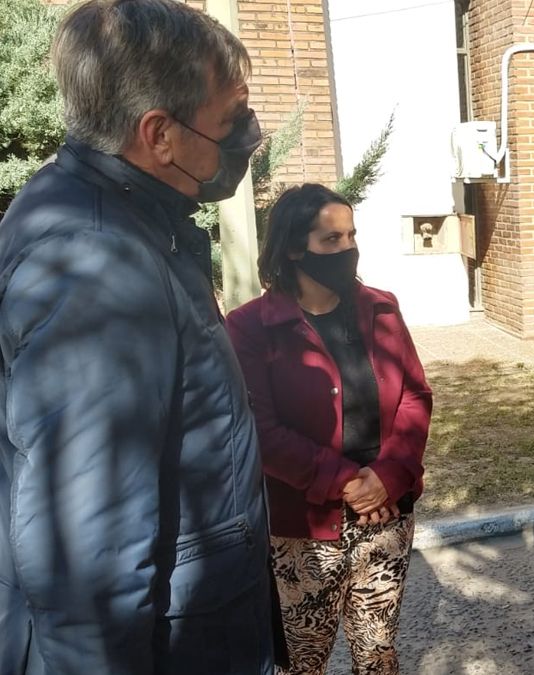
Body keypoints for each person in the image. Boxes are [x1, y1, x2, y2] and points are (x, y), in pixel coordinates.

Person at [0, 1, 276, 672]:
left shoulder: (118, 219)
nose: (250, 134)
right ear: (159, 134)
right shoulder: (100, 267)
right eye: (231, 119)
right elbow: (85, 564)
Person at [226, 184, 433, 675]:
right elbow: (263, 430)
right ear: (294, 248)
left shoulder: (381, 308)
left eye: (352, 235)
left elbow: (415, 396)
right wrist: (348, 483)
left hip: (385, 514)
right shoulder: (251, 327)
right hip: (302, 528)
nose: (347, 249)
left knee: (377, 656)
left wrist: (389, 475)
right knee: (302, 660)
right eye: (331, 239)